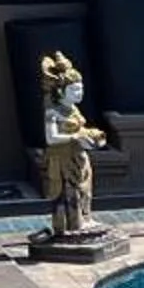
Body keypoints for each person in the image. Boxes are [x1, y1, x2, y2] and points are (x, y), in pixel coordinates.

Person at [37, 52, 107, 241]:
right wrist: (75, 136)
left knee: (85, 188)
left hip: (78, 155)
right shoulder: (52, 111)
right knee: (69, 192)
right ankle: (70, 226)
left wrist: (90, 134)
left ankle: (86, 219)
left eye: (81, 89)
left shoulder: (72, 108)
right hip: (62, 160)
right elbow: (51, 138)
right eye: (75, 90)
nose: (80, 93)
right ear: (61, 91)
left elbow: (79, 127)